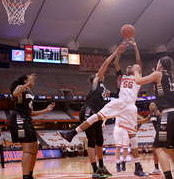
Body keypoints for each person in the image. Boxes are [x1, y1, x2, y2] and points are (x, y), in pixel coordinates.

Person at [58, 38, 148, 177]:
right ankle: (72, 132)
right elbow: (115, 64)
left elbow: (139, 61)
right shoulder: (122, 77)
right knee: (96, 117)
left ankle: (137, 166)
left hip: (130, 106)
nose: (130, 66)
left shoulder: (138, 77)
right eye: (129, 66)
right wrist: (118, 52)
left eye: (132, 66)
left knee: (133, 138)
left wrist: (135, 46)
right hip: (119, 102)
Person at [133, 56, 174, 179]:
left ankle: (169, 177)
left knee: (158, 148)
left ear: (161, 65)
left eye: (158, 63)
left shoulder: (159, 74)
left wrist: (136, 70)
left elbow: (138, 81)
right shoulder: (172, 78)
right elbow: (162, 91)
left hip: (168, 115)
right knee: (171, 148)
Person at [9, 73, 55, 179]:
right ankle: (25, 176)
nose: (33, 81)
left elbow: (31, 113)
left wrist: (46, 110)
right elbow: (15, 93)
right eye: (30, 79)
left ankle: (30, 174)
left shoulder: (30, 93)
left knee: (35, 147)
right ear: (25, 81)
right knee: (28, 149)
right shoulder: (21, 87)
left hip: (26, 119)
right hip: (18, 119)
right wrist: (27, 83)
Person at [138, 101, 174, 176]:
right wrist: (133, 121)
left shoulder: (158, 112)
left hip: (164, 132)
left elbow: (166, 116)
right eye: (150, 105)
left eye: (153, 105)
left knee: (168, 150)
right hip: (160, 133)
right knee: (157, 150)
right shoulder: (150, 115)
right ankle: (157, 168)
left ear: (156, 106)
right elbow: (143, 121)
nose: (151, 106)